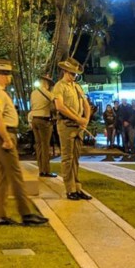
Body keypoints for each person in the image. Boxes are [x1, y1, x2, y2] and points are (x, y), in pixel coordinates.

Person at [0, 59, 48, 226]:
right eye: (5, 74)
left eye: (8, 74)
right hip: (2, 135)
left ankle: (2, 215)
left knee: (3, 177)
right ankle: (26, 213)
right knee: (16, 175)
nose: (8, 78)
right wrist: (6, 139)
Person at [52, 57, 92, 201]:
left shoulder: (77, 87)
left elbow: (86, 104)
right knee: (67, 158)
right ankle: (70, 189)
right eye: (72, 73)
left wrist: (85, 119)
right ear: (65, 71)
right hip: (66, 125)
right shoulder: (59, 86)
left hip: (78, 126)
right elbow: (60, 107)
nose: (74, 76)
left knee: (76, 158)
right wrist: (78, 119)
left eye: (75, 74)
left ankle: (77, 187)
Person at [29, 73, 57, 178]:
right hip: (44, 120)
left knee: (39, 145)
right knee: (45, 146)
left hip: (34, 120)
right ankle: (46, 170)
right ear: (47, 83)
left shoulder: (33, 93)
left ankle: (40, 169)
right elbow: (55, 107)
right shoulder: (48, 94)